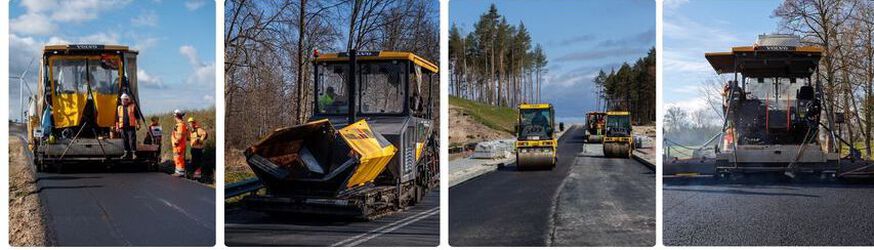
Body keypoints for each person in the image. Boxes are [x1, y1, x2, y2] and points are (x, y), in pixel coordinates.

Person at [116, 93, 140, 159]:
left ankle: (134, 154)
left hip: (131, 127)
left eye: (124, 100)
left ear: (127, 100)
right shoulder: (119, 108)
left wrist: (138, 125)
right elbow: (117, 118)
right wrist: (117, 127)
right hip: (122, 127)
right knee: (125, 140)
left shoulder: (132, 106)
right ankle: (126, 153)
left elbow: (137, 117)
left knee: (132, 140)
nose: (123, 101)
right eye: (122, 100)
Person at [171, 110, 189, 177]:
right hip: (177, 145)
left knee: (179, 158)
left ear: (177, 116)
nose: (174, 118)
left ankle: (180, 172)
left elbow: (180, 135)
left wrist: (176, 142)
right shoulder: (179, 125)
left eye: (175, 116)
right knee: (177, 158)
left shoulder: (181, 125)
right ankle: (178, 172)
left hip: (179, 145)